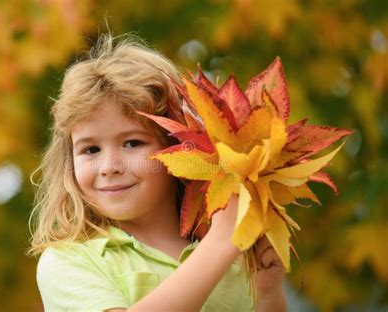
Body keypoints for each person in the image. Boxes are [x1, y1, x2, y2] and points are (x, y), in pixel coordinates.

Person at [28, 34, 288, 311]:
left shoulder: (233, 259)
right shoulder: (70, 260)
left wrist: (267, 293)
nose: (109, 167)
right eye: (90, 150)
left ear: (178, 148)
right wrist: (221, 242)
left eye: (132, 143)